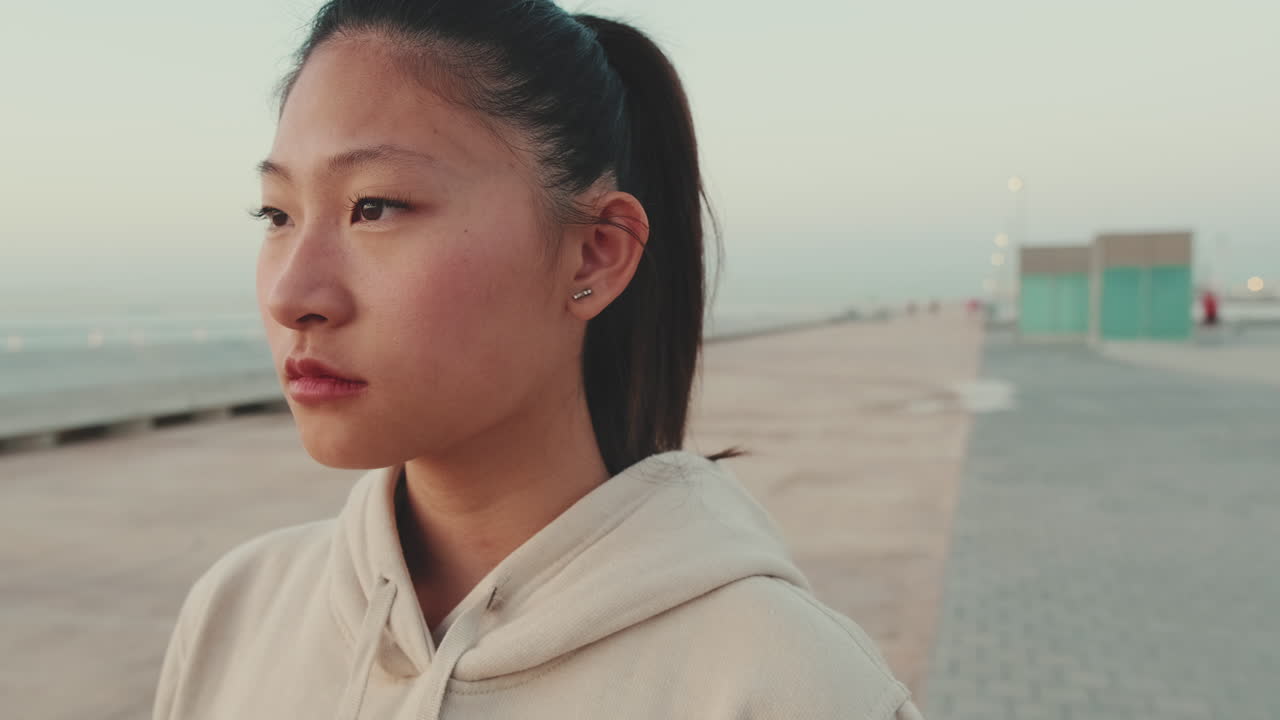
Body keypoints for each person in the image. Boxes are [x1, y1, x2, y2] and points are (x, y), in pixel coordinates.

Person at [151, 2, 924, 718]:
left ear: (595, 252)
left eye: (375, 206)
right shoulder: (240, 609)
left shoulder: (784, 684)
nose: (293, 294)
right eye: (277, 214)